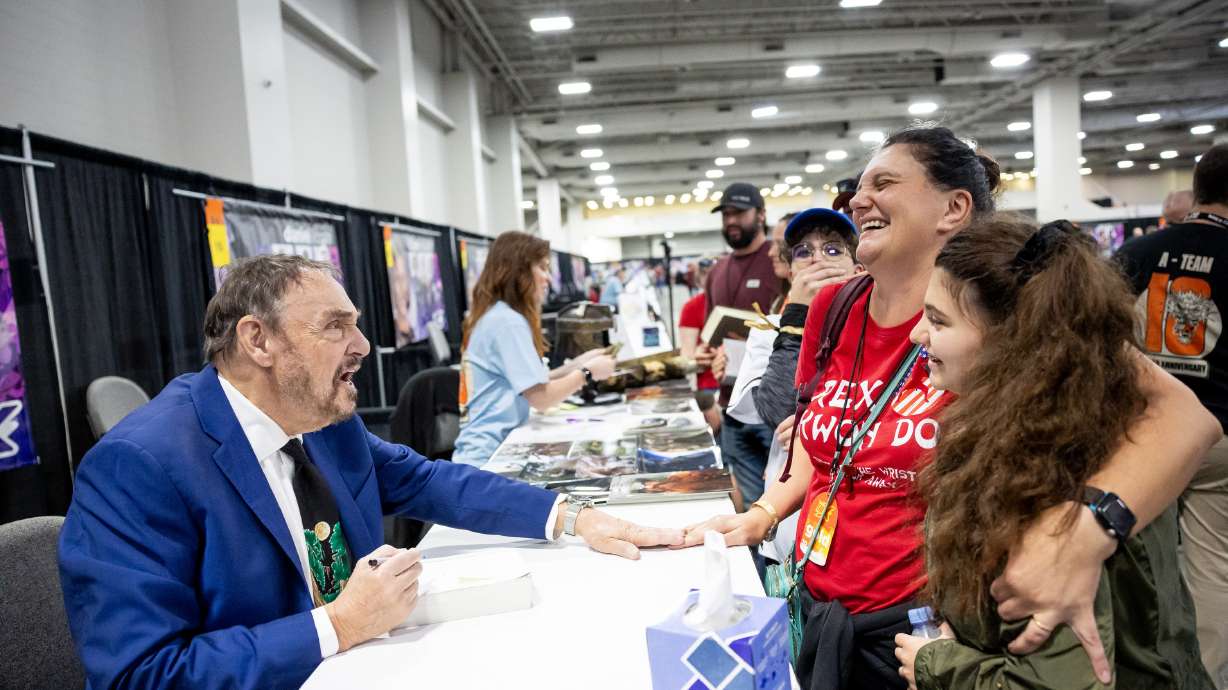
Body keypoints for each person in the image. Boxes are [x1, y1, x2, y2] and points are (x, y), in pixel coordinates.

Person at [682, 125, 1215, 689]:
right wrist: (763, 514)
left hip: (935, 629)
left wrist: (1083, 535)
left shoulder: (1015, 305)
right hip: (828, 610)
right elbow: (827, 442)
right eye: (859, 187)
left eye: (883, 183)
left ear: (954, 207)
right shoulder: (834, 308)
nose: (857, 200)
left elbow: (1184, 418)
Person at [57, 255, 681, 690]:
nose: (363, 345)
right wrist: (339, 624)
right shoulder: (138, 467)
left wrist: (573, 515)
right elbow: (140, 675)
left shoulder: (323, 422)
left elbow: (433, 482)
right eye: (337, 326)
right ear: (258, 341)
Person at [894, 216, 1217, 689]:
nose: (916, 335)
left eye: (939, 320)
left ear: (1011, 340)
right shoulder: (1091, 418)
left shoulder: (1032, 473)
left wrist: (937, 663)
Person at [1116, 143, 1228, 688]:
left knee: (1142, 565)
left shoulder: (1141, 252)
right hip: (1217, 439)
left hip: (1141, 433)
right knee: (1213, 575)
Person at [453, 232, 616, 466]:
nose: (547, 278)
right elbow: (541, 398)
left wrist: (577, 364)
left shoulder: (496, 315)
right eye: (542, 268)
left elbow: (529, 382)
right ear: (518, 271)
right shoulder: (507, 322)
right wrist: (587, 373)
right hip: (489, 460)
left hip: (487, 453)